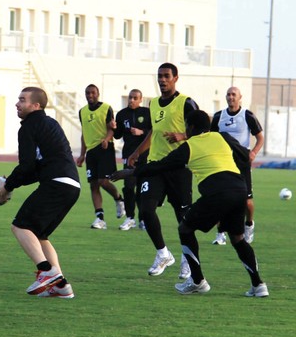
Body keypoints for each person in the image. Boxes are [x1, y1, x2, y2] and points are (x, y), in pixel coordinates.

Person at [113, 110, 268, 296]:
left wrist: (130, 172)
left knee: (185, 229)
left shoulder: (189, 146)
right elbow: (245, 156)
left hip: (217, 192)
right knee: (238, 239)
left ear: (191, 127)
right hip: (239, 189)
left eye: (186, 125)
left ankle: (197, 280)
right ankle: (258, 285)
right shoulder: (223, 137)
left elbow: (160, 165)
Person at [0, 87, 80, 298]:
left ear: (36, 105)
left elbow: (27, 166)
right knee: (39, 235)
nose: (17, 103)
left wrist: (7, 187)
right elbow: (37, 168)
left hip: (56, 184)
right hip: (72, 185)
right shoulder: (51, 123)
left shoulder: (28, 127)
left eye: (22, 100)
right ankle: (61, 286)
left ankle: (46, 271)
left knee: (20, 226)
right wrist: (10, 182)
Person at [127, 63, 199, 279]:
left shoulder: (186, 102)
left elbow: (203, 128)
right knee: (146, 210)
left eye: (167, 76)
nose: (162, 80)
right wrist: (137, 152)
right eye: (160, 76)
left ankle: (187, 259)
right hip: (155, 165)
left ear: (176, 78)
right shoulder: (153, 103)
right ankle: (163, 254)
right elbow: (153, 132)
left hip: (179, 167)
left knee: (183, 219)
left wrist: (183, 136)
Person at [210, 86, 264, 245]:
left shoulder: (247, 115)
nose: (231, 97)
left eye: (234, 94)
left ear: (240, 97)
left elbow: (260, 137)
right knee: (220, 198)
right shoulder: (219, 116)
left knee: (247, 201)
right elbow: (210, 137)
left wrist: (253, 153)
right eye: (228, 94)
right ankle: (220, 233)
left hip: (241, 161)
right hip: (223, 161)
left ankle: (249, 225)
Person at [75, 84, 125, 230]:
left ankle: (119, 199)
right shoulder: (82, 112)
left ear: (98, 94)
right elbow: (84, 133)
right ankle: (100, 218)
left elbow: (111, 128)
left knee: (103, 181)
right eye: (87, 93)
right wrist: (82, 154)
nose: (90, 95)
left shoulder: (106, 108)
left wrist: (106, 139)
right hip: (91, 151)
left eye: (93, 93)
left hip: (105, 148)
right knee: (93, 185)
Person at [113, 88, 151, 231]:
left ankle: (143, 219)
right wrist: (114, 127)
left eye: (135, 98)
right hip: (128, 156)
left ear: (141, 100)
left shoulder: (147, 113)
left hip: (145, 155)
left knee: (143, 188)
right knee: (129, 186)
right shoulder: (122, 114)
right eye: (130, 97)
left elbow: (154, 132)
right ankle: (130, 218)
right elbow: (117, 135)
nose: (131, 100)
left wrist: (142, 132)